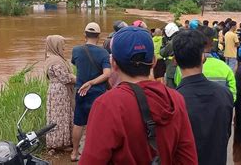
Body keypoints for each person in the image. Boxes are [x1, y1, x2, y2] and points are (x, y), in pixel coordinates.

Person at [79, 26, 198, 165]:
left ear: (113, 64)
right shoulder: (175, 99)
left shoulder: (107, 104)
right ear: (153, 61)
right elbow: (188, 159)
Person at [174, 29, 233, 165]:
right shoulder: (225, 94)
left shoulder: (173, 101)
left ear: (175, 61)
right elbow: (226, 134)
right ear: (203, 58)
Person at [71, 22, 112, 161]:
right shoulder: (104, 52)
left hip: (81, 92)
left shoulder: (76, 50)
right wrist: (92, 82)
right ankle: (95, 154)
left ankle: (74, 153)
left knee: (78, 123)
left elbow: (76, 64)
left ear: (84, 35)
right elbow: (107, 74)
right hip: (98, 93)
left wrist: (86, 81)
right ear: (99, 36)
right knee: (96, 123)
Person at [174, 26, 237, 101]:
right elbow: (232, 95)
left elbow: (179, 90)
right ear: (212, 43)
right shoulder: (225, 68)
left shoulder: (183, 67)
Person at [44, 35, 76, 154]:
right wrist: (80, 79)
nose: (64, 48)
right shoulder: (55, 61)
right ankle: (60, 143)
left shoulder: (53, 58)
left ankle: (59, 142)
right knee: (60, 117)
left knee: (60, 116)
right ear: (56, 45)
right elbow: (65, 77)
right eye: (62, 45)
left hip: (57, 90)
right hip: (60, 92)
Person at [160, 22, 180, 88]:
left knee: (171, 89)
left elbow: (162, 53)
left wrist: (163, 45)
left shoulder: (172, 42)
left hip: (172, 69)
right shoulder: (182, 39)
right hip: (181, 69)